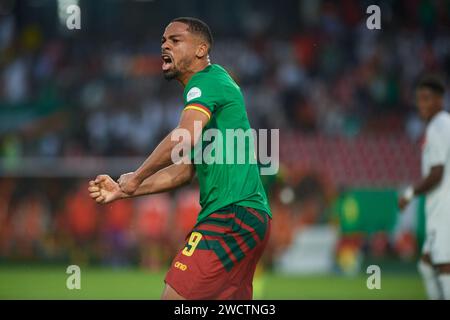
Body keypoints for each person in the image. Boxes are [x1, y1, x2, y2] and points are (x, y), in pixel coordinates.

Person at [88, 17, 272, 300]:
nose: (165, 45)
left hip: (230, 214)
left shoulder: (205, 83)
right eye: (163, 40)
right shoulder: (215, 86)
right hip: (250, 216)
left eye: (175, 40)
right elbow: (185, 171)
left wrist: (137, 175)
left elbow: (184, 135)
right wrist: (126, 189)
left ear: (200, 50)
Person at [399, 75, 450, 299]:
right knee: (427, 265)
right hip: (439, 207)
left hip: (445, 208)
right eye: (419, 99)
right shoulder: (444, 124)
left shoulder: (438, 128)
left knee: (445, 266)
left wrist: (409, 194)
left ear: (440, 100)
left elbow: (436, 174)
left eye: (427, 99)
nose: (422, 105)